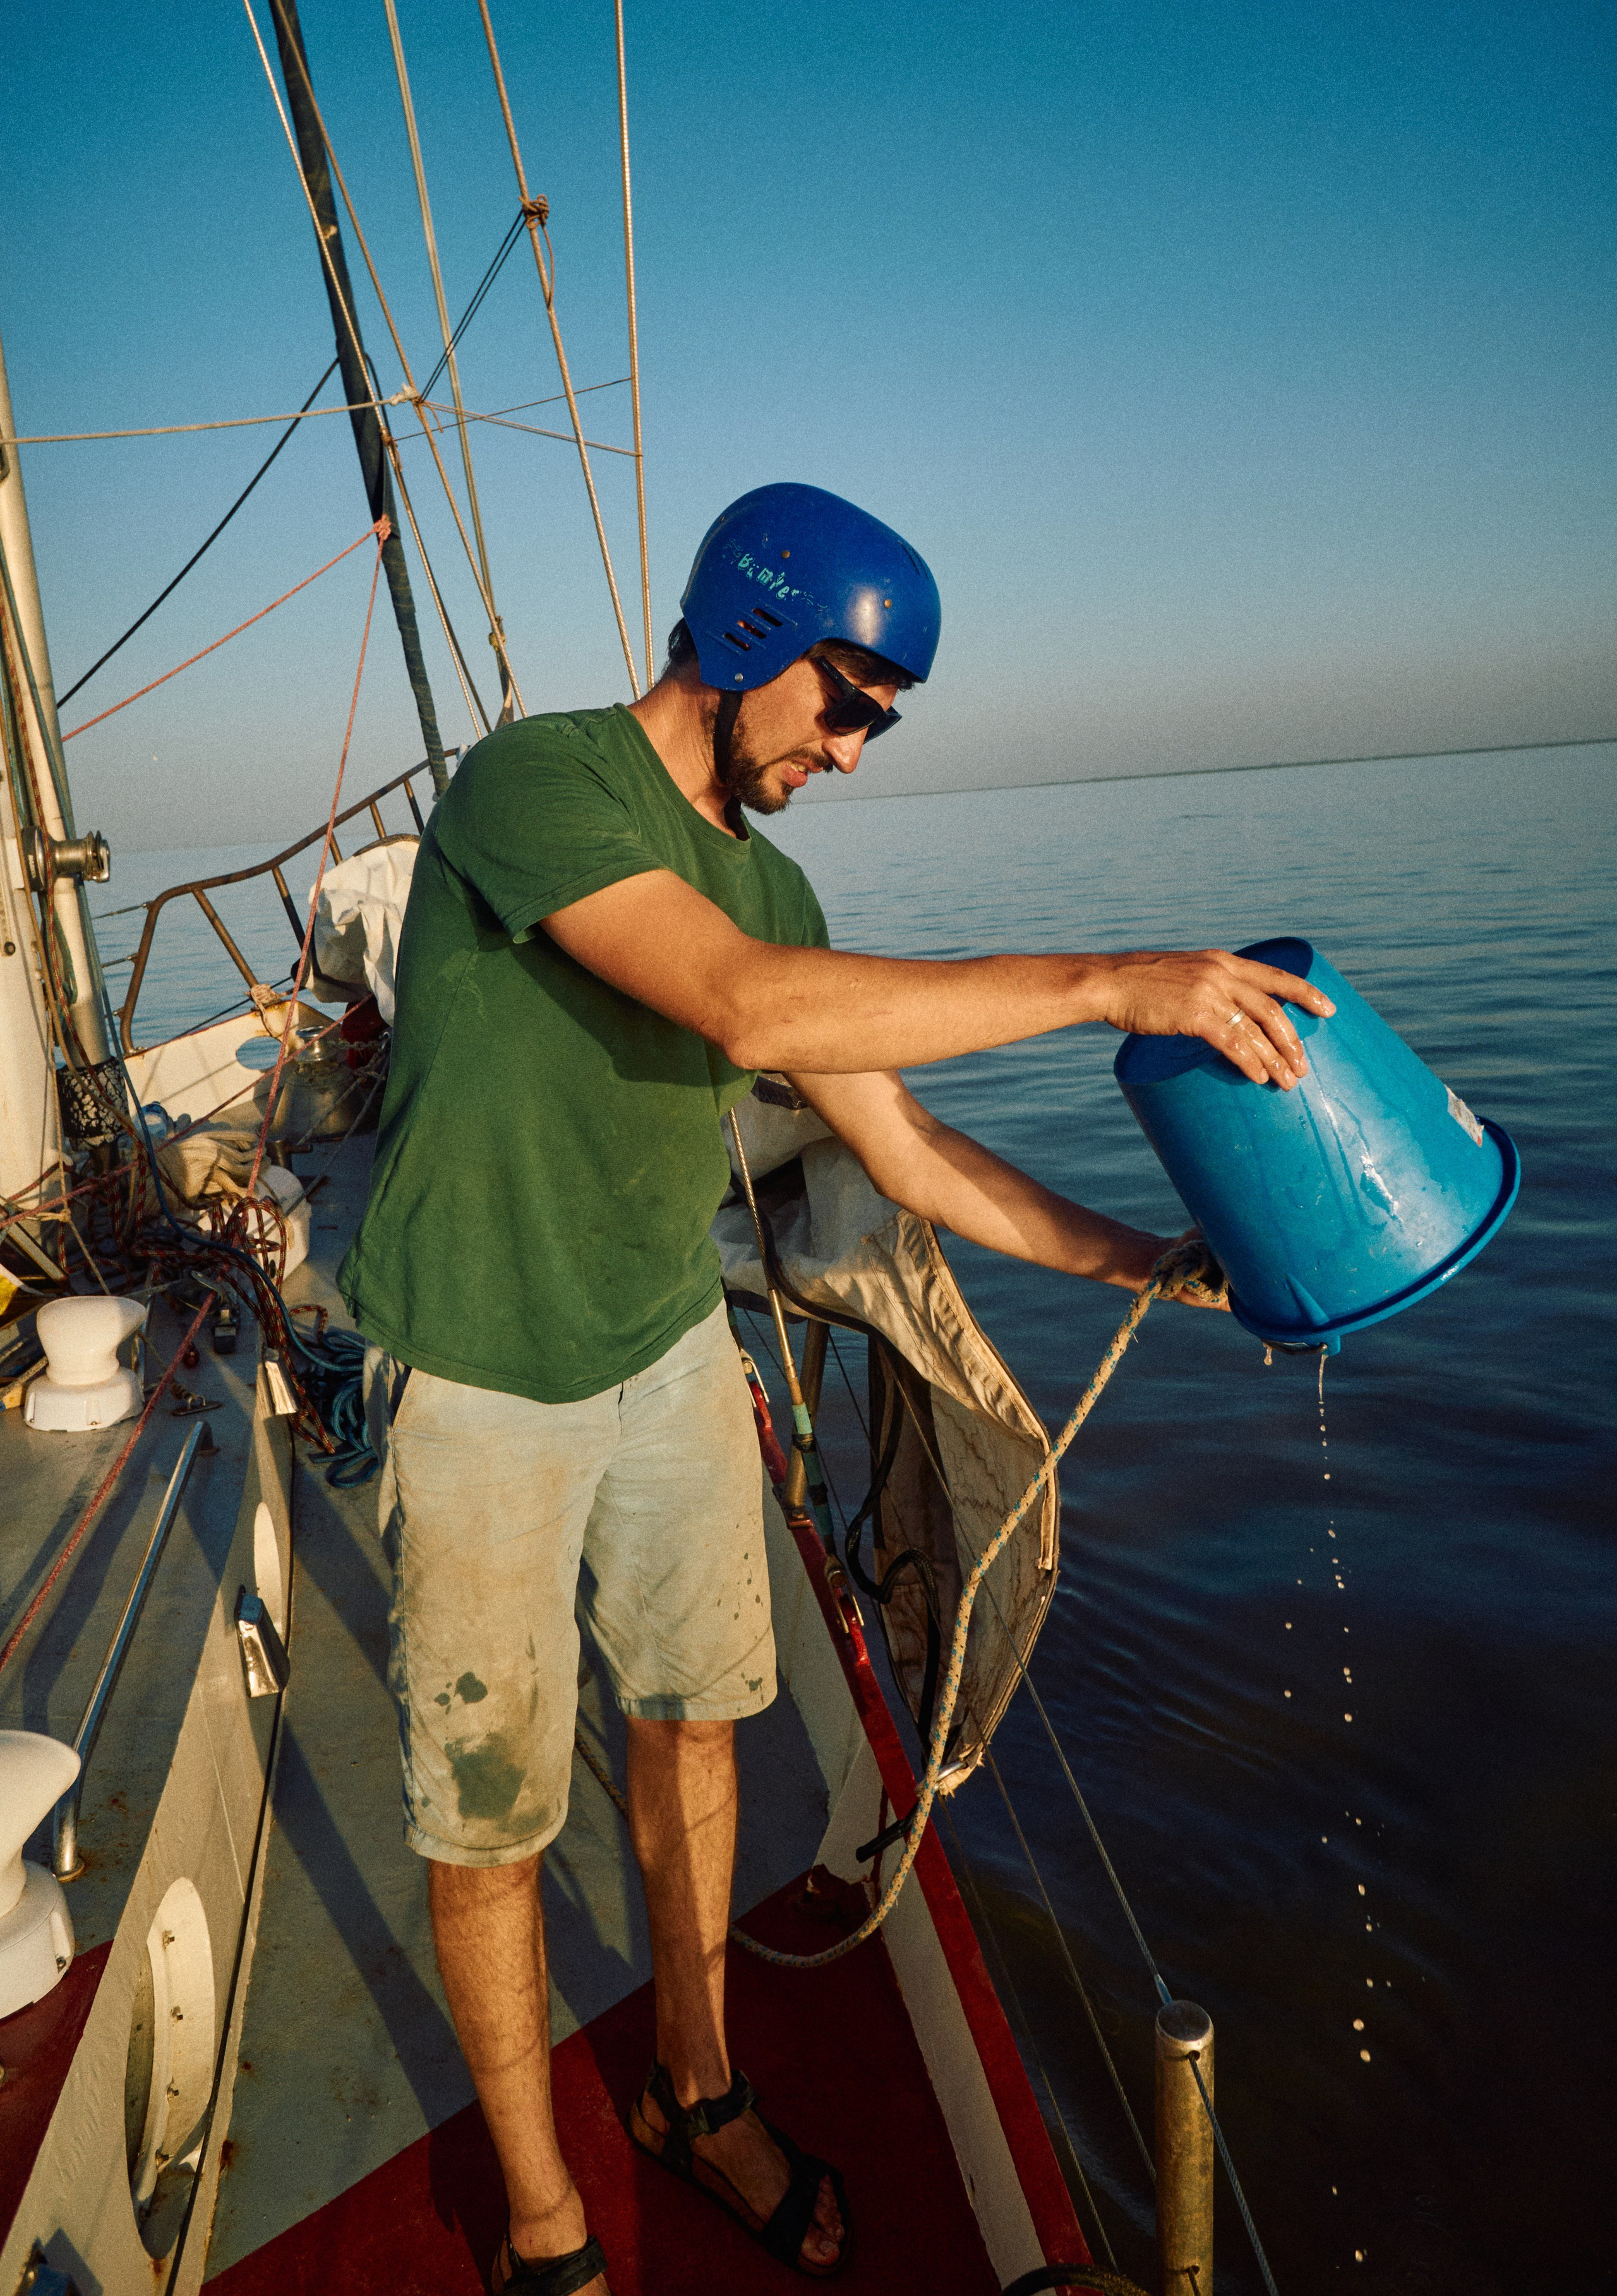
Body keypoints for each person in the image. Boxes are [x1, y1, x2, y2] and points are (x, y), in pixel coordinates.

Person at [341, 482, 1331, 2295]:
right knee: (490, 1814)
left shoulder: (778, 880)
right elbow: (747, 1010)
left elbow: (916, 1152)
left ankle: (696, 2092)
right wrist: (1112, 977)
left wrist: (1158, 1262)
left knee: (698, 1721)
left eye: (886, 717)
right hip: (479, 1367)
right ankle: (546, 2220)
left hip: (661, 1349)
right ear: (747, 628)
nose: (860, 749)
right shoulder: (535, 783)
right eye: (850, 698)